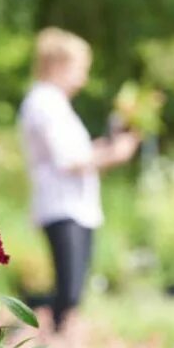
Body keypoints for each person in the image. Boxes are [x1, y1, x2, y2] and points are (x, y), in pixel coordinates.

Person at [17, 28, 139, 332]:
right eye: (80, 68)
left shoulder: (55, 103)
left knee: (72, 290)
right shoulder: (44, 103)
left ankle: (33, 322)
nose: (83, 77)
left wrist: (110, 147)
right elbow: (70, 160)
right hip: (62, 205)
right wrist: (117, 153)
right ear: (58, 65)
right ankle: (22, 318)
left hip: (75, 205)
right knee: (69, 292)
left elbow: (79, 153)